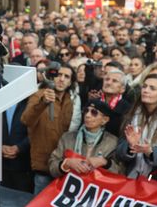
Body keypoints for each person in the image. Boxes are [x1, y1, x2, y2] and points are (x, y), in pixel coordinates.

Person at [20, 62, 74, 194]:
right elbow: (25, 120)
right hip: (43, 169)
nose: (61, 79)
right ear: (51, 76)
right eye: (59, 75)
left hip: (65, 168)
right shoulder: (39, 94)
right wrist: (43, 103)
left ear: (71, 82)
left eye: (66, 76)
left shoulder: (71, 100)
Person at [116, 74, 157, 179]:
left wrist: (150, 152)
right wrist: (130, 146)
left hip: (155, 181)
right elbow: (119, 151)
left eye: (152, 88)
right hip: (129, 176)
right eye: (144, 86)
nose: (146, 90)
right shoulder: (131, 115)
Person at [48, 100, 119, 177]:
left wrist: (106, 163)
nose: (87, 115)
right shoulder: (67, 137)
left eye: (94, 112)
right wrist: (66, 163)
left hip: (94, 187)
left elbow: (120, 172)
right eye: (86, 111)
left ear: (104, 120)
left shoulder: (112, 142)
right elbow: (52, 166)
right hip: (68, 185)